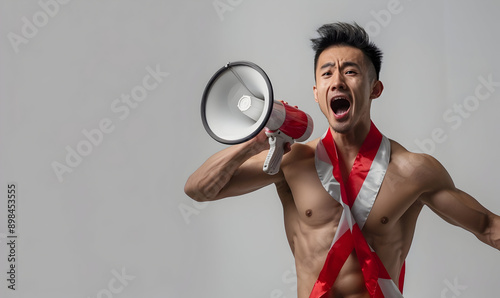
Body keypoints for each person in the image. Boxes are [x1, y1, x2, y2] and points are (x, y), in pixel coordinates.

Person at [184, 22, 500, 298]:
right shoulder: (291, 161)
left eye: (350, 71)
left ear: (375, 88)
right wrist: (253, 144)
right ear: (317, 92)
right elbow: (199, 190)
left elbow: (487, 226)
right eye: (327, 73)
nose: (337, 80)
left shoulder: (414, 171)